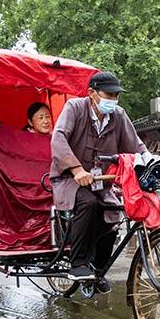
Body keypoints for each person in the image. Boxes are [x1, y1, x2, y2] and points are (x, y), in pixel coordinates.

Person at [50, 72, 147, 290]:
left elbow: (136, 146)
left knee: (114, 212)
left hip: (101, 182)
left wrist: (152, 165)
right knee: (89, 203)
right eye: (109, 95)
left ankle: (98, 268)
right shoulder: (75, 108)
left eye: (116, 96)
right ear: (92, 93)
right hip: (69, 179)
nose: (113, 101)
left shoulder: (118, 116)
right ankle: (78, 264)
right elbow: (59, 138)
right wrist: (76, 169)